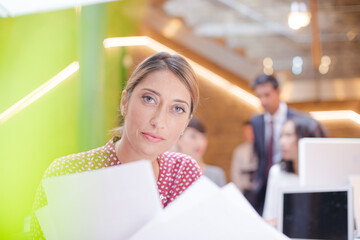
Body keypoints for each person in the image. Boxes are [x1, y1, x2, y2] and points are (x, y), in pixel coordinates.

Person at [30, 52, 202, 239]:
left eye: (177, 109)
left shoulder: (184, 173)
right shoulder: (67, 172)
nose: (159, 121)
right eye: (149, 99)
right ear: (124, 102)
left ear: (186, 122)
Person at [250, 74, 302, 214]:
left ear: (278, 92)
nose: (263, 101)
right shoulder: (256, 122)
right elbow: (259, 154)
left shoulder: (297, 119)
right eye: (259, 96)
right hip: (264, 186)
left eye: (267, 95)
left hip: (290, 182)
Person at [262, 115, 328, 225]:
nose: (281, 142)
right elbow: (269, 216)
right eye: (281, 136)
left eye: (288, 135)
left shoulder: (325, 176)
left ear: (305, 137)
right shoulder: (277, 173)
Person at [176, 116, 226, 187]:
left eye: (203, 137)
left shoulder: (216, 174)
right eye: (193, 136)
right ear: (179, 139)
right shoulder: (169, 173)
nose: (200, 143)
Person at [231, 121, 258, 201]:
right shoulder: (239, 150)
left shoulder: (262, 149)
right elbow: (235, 173)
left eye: (251, 131)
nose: (249, 134)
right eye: (246, 132)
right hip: (245, 191)